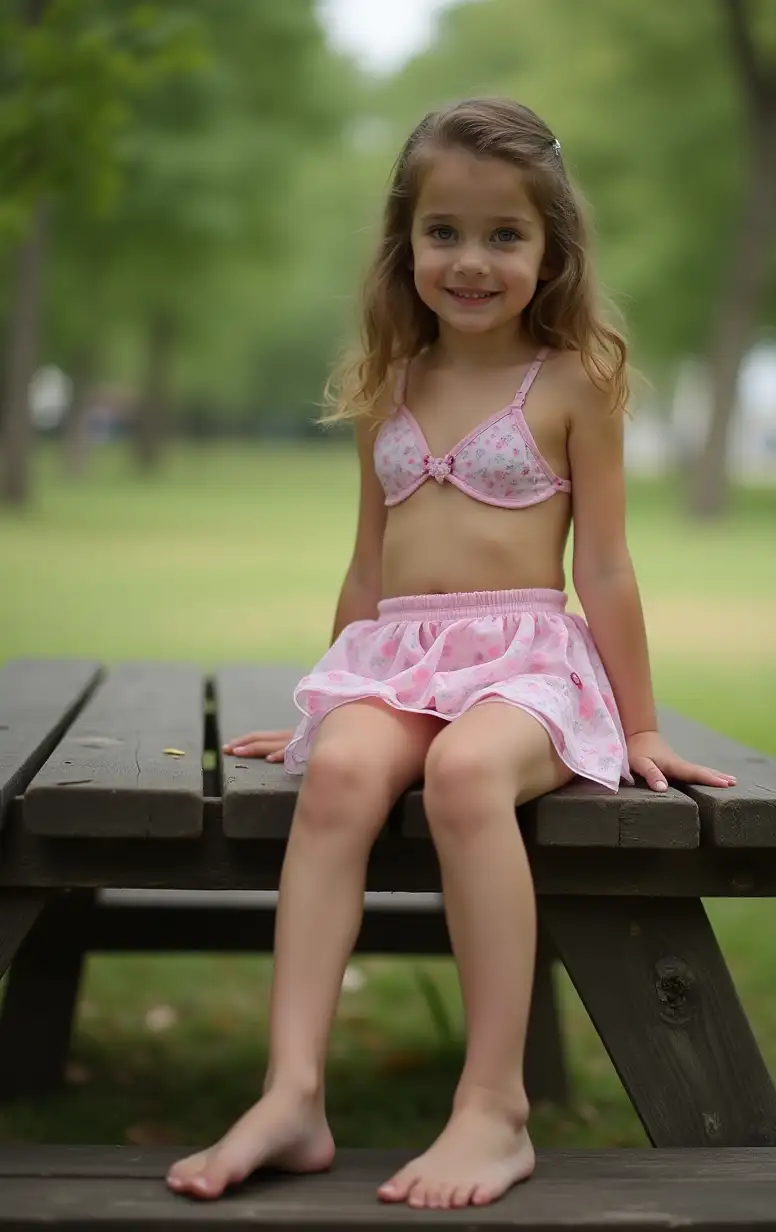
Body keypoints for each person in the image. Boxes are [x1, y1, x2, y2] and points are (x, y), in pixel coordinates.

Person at [166, 97, 735, 1210]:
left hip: (525, 662)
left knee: (467, 776)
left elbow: (607, 569)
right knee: (337, 773)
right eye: (444, 232)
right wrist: (331, 701)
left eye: (503, 235)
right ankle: (292, 1092)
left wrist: (641, 723)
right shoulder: (392, 380)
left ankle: (495, 1105)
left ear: (551, 248)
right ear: (405, 241)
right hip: (398, 660)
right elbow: (367, 566)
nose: (470, 261)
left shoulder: (571, 381)